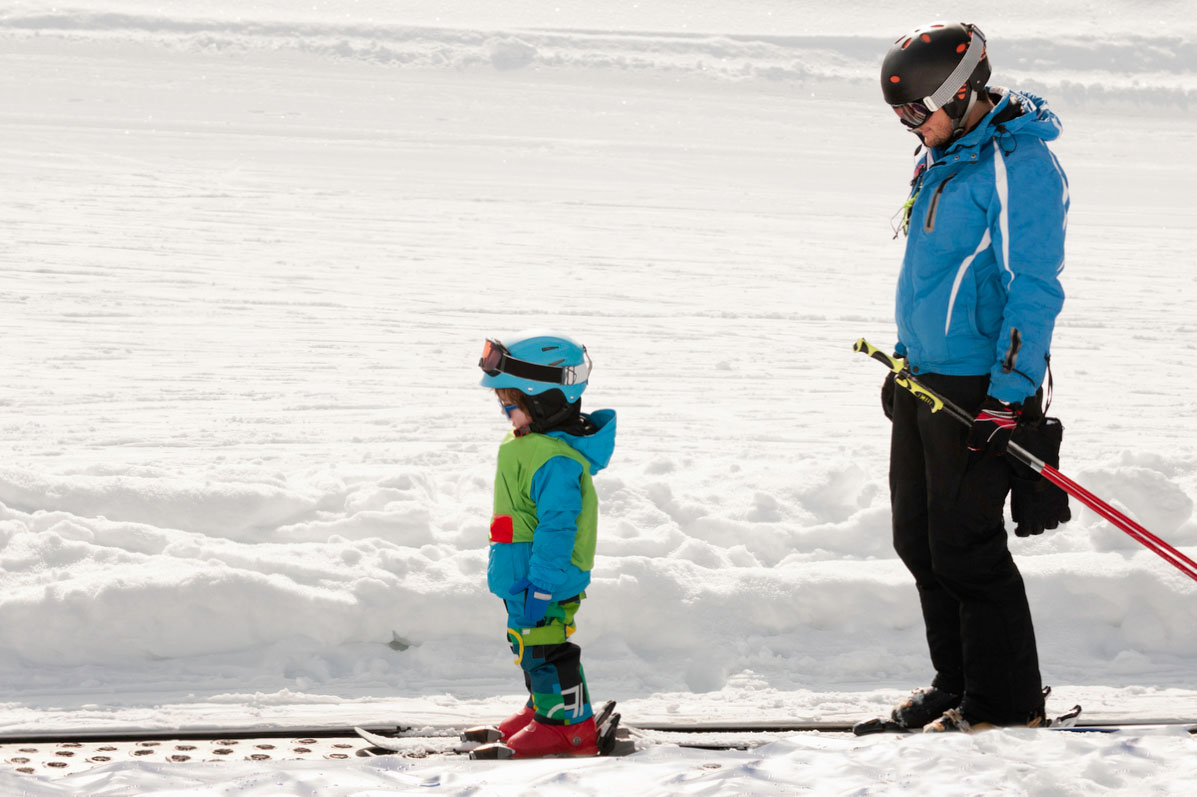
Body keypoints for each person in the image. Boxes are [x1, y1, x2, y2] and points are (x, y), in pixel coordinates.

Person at [877, 22, 1070, 732]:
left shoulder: (1018, 166)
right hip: (928, 377)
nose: (907, 127)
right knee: (918, 538)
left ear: (957, 95)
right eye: (898, 116)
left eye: (913, 112)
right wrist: (904, 358)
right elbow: (927, 276)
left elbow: (1033, 287)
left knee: (966, 547)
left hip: (979, 387)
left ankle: (1004, 702)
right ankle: (954, 683)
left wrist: (1007, 395)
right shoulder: (946, 155)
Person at [476, 330, 617, 756]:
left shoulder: (555, 460)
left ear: (544, 401)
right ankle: (543, 705)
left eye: (511, 406)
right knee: (527, 643)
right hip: (522, 571)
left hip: (544, 574)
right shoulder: (529, 444)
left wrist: (542, 582)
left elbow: (559, 528)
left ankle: (569, 725)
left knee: (546, 644)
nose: (506, 415)